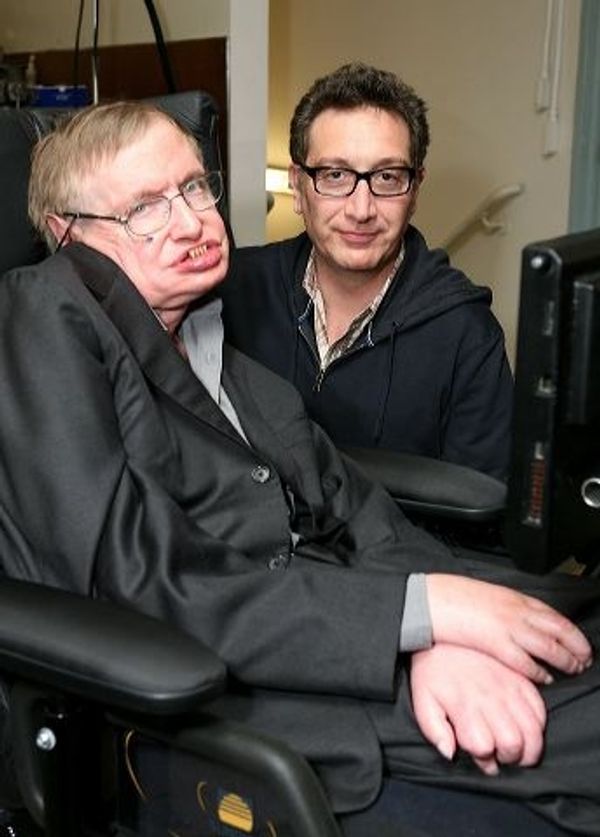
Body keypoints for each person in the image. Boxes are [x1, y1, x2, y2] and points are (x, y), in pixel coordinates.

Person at [1, 100, 599, 836]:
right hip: (244, 686)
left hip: (342, 623)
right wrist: (414, 624)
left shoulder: (228, 356)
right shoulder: (43, 306)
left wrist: (441, 626)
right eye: (145, 209)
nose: (191, 221)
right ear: (70, 236)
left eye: (194, 187)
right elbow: (135, 581)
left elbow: (362, 512)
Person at [221, 63, 513, 481]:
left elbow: (483, 524)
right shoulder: (234, 291)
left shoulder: (466, 335)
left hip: (401, 547)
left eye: (388, 177)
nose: (361, 210)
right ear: (299, 187)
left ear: (414, 192)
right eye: (335, 175)